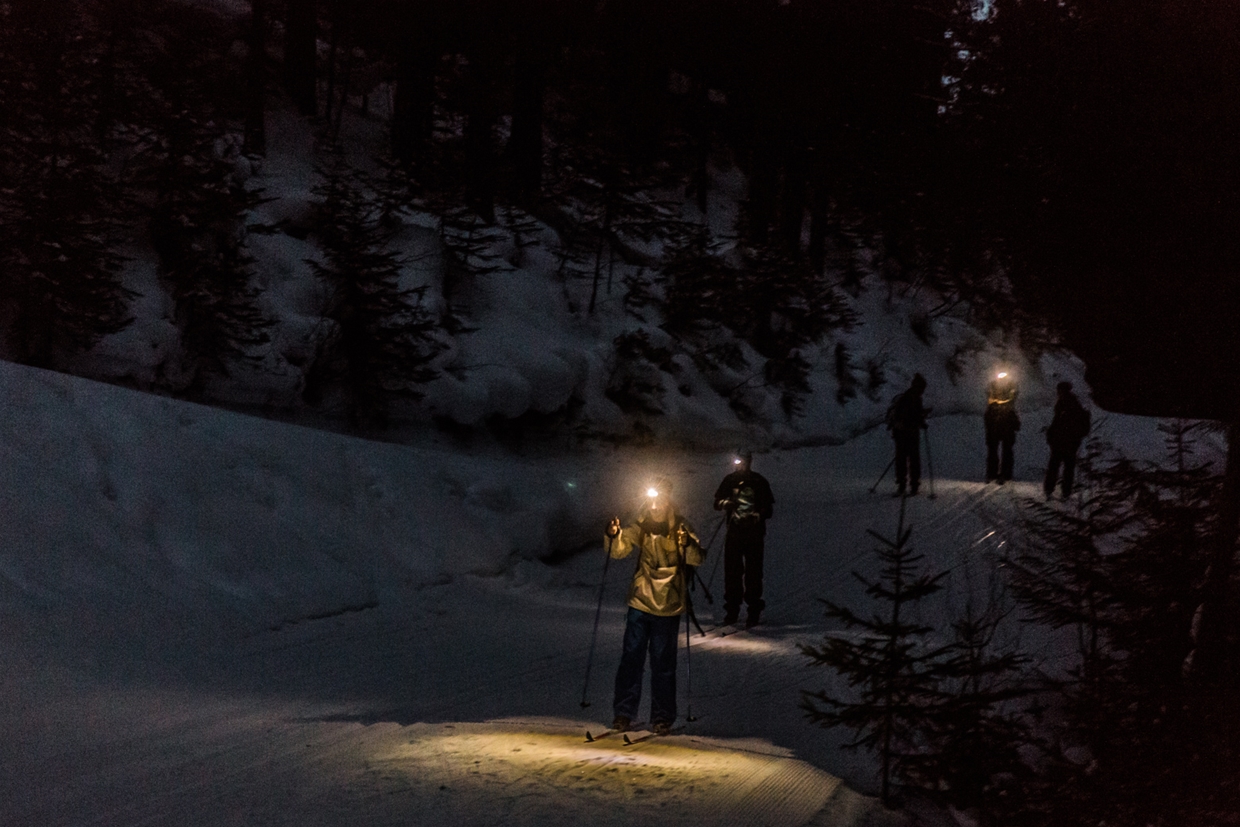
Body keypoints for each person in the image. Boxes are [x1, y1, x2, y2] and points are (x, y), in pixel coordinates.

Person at [605, 477, 703, 736]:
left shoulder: (680, 526)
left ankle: (662, 717)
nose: (655, 504)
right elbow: (619, 550)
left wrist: (686, 544)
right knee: (631, 658)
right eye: (651, 499)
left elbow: (697, 557)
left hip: (668, 606)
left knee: (662, 662)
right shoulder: (643, 524)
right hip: (641, 600)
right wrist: (614, 536)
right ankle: (623, 714)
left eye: (659, 499)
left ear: (668, 499)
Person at [713, 449, 775, 628]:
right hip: (734, 534)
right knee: (732, 573)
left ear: (749, 461)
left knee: (753, 573)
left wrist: (757, 515)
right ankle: (732, 611)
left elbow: (768, 509)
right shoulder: (729, 480)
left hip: (754, 536)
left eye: (743, 461)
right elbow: (716, 502)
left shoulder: (759, 481)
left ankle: (753, 610)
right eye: (738, 461)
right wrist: (727, 503)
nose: (740, 465)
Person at [1044, 381, 1091, 498]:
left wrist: (1051, 436)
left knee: (1056, 466)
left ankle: (1051, 489)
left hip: (1064, 441)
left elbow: (1058, 423)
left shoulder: (1066, 404)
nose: (1058, 393)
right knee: (1067, 467)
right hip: (1069, 442)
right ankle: (1064, 491)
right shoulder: (1071, 403)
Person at [886, 373, 929, 496]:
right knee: (913, 459)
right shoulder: (912, 398)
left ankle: (902, 484)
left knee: (901, 459)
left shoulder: (908, 397)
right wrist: (921, 422)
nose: (923, 391)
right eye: (922, 388)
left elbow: (914, 416)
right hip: (908, 434)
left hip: (901, 434)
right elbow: (913, 416)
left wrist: (920, 421)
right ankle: (913, 485)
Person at [984, 371, 1021, 484]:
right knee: (993, 450)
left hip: (1006, 422)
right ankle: (992, 473)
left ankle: (1005, 473)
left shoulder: (1012, 387)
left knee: (1006, 450)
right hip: (995, 422)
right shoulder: (992, 387)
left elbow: (1014, 397)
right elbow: (988, 395)